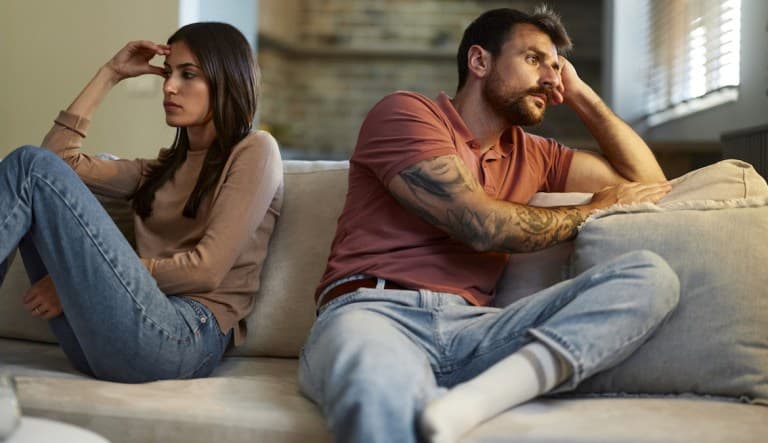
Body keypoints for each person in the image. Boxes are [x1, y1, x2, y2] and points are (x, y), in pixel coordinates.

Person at [299, 6, 680, 443]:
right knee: (376, 386)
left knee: (650, 277)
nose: (550, 77)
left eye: (557, 67)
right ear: (479, 61)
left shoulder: (537, 153)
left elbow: (651, 186)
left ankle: (471, 404)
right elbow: (478, 224)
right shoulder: (407, 113)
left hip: (475, 330)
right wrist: (592, 209)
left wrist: (580, 95)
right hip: (374, 313)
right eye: (534, 59)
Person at [0, 22, 283, 383]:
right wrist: (110, 73)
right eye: (167, 73)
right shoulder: (158, 171)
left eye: (188, 74)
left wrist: (88, 277)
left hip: (183, 336)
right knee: (29, 165)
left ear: (226, 78)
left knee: (30, 164)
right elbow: (55, 162)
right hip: (103, 340)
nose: (168, 86)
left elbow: (205, 270)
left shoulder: (255, 150)